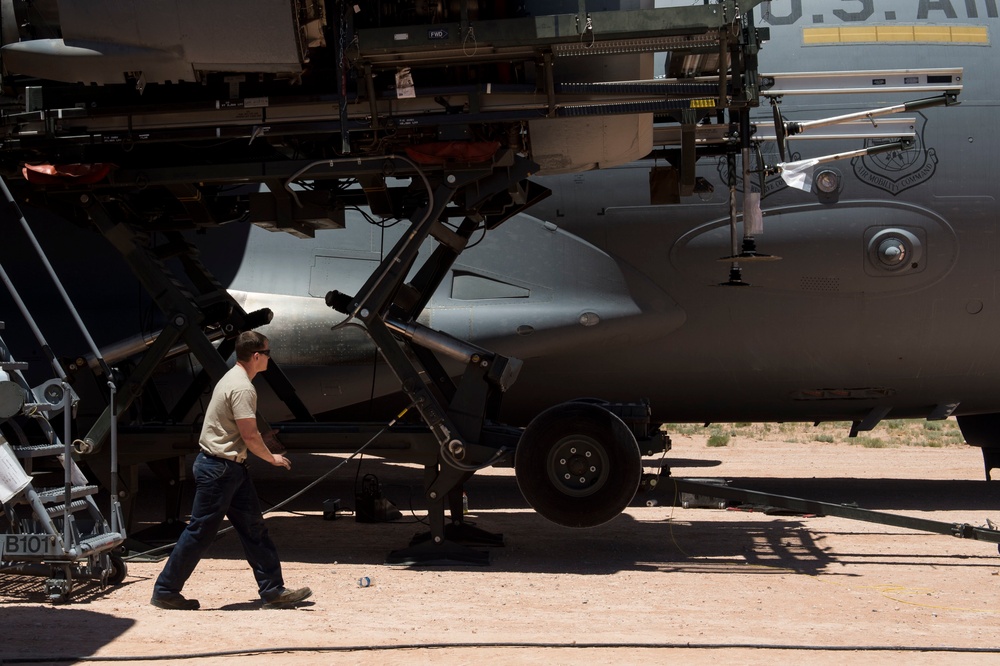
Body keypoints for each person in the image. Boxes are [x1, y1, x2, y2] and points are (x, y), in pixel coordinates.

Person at [151, 331, 312, 610]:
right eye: (268, 352)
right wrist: (271, 458)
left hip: (229, 468)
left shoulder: (234, 378)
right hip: (220, 469)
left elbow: (243, 435)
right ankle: (165, 590)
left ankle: (273, 590)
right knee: (201, 532)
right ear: (257, 356)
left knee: (254, 528)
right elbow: (249, 436)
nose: (270, 358)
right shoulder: (242, 388)